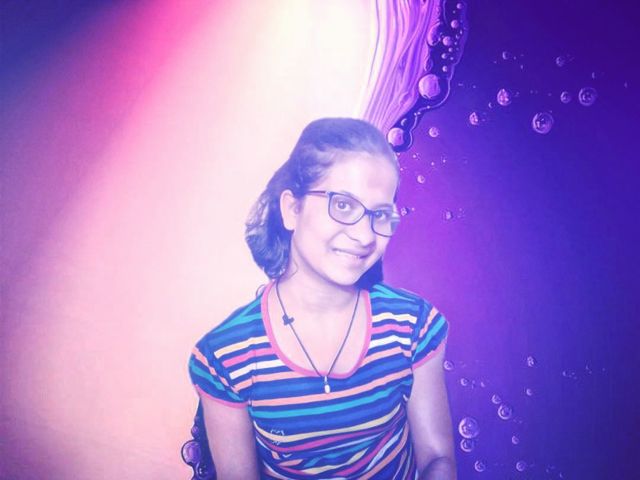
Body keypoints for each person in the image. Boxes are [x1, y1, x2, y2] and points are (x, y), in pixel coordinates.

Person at [188, 118, 455, 479]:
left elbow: (437, 457)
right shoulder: (225, 356)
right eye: (343, 205)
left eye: (380, 214)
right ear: (291, 209)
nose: (365, 236)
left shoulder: (413, 325)